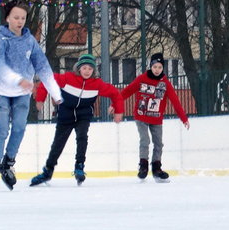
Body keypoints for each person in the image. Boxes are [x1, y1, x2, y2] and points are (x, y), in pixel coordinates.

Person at [0, 0, 62, 192]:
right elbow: (0, 65)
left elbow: (42, 65)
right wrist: (19, 80)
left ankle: (8, 164)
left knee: (19, 127)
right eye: (16, 17)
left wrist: (55, 93)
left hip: (22, 91)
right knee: (2, 128)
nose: (19, 21)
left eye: (23, 18)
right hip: (0, 89)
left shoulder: (29, 41)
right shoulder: (1, 40)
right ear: (8, 18)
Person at [31, 53, 123, 186]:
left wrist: (118, 111)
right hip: (65, 115)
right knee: (58, 143)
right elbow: (47, 80)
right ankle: (48, 171)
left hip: (83, 115)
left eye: (90, 69)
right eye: (84, 68)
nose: (87, 71)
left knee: (82, 137)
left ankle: (79, 166)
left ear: (94, 71)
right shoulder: (67, 78)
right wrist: (40, 98)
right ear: (78, 68)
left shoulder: (97, 84)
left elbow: (115, 93)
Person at [121, 53, 190, 182]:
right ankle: (143, 166)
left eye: (160, 67)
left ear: (162, 68)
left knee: (158, 143)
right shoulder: (142, 79)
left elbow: (175, 101)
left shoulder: (165, 84)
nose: (157, 69)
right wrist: (115, 103)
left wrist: (183, 118)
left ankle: (157, 168)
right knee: (145, 140)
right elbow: (128, 91)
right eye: (155, 66)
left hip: (156, 118)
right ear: (151, 66)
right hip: (141, 116)